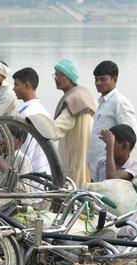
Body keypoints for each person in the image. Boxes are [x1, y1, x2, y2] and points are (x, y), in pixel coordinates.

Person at [89, 61, 137, 181]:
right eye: (96, 79)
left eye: (103, 79)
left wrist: (117, 161)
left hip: (112, 169)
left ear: (114, 79)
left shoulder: (120, 103)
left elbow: (132, 134)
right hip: (98, 166)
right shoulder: (100, 103)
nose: (98, 83)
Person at [50, 58, 97, 186]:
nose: (55, 78)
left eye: (59, 75)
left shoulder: (75, 100)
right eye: (55, 75)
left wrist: (37, 126)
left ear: (70, 77)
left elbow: (56, 130)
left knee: (71, 194)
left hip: (72, 161)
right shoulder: (84, 95)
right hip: (84, 159)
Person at [12, 67, 52, 176]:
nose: (13, 89)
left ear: (27, 85)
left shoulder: (28, 114)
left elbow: (26, 149)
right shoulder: (42, 110)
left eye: (16, 85)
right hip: (43, 172)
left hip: (30, 175)